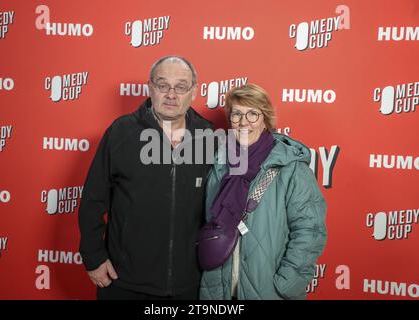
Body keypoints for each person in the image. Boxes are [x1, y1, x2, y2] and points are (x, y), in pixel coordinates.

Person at [78, 55, 214, 300]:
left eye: (181, 87)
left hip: (189, 285)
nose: (171, 94)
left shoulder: (209, 137)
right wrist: (94, 257)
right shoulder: (121, 132)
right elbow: (92, 199)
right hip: (125, 282)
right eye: (163, 85)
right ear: (150, 88)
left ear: (193, 92)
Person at [199, 84, 327, 300]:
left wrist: (287, 283)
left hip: (268, 291)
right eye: (237, 114)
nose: (243, 122)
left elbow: (310, 230)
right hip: (218, 290)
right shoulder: (219, 164)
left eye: (252, 114)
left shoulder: (291, 167)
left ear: (265, 119)